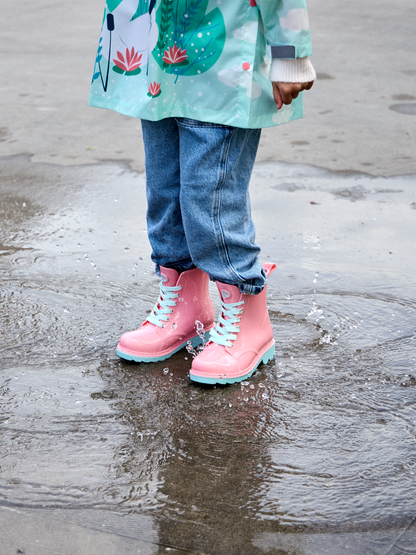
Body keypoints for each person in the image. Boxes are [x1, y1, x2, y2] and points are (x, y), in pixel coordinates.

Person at [89, 0, 315, 384]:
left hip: (224, 64)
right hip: (157, 57)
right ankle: (186, 304)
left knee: (209, 198)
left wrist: (289, 55)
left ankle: (248, 318)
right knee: (166, 190)